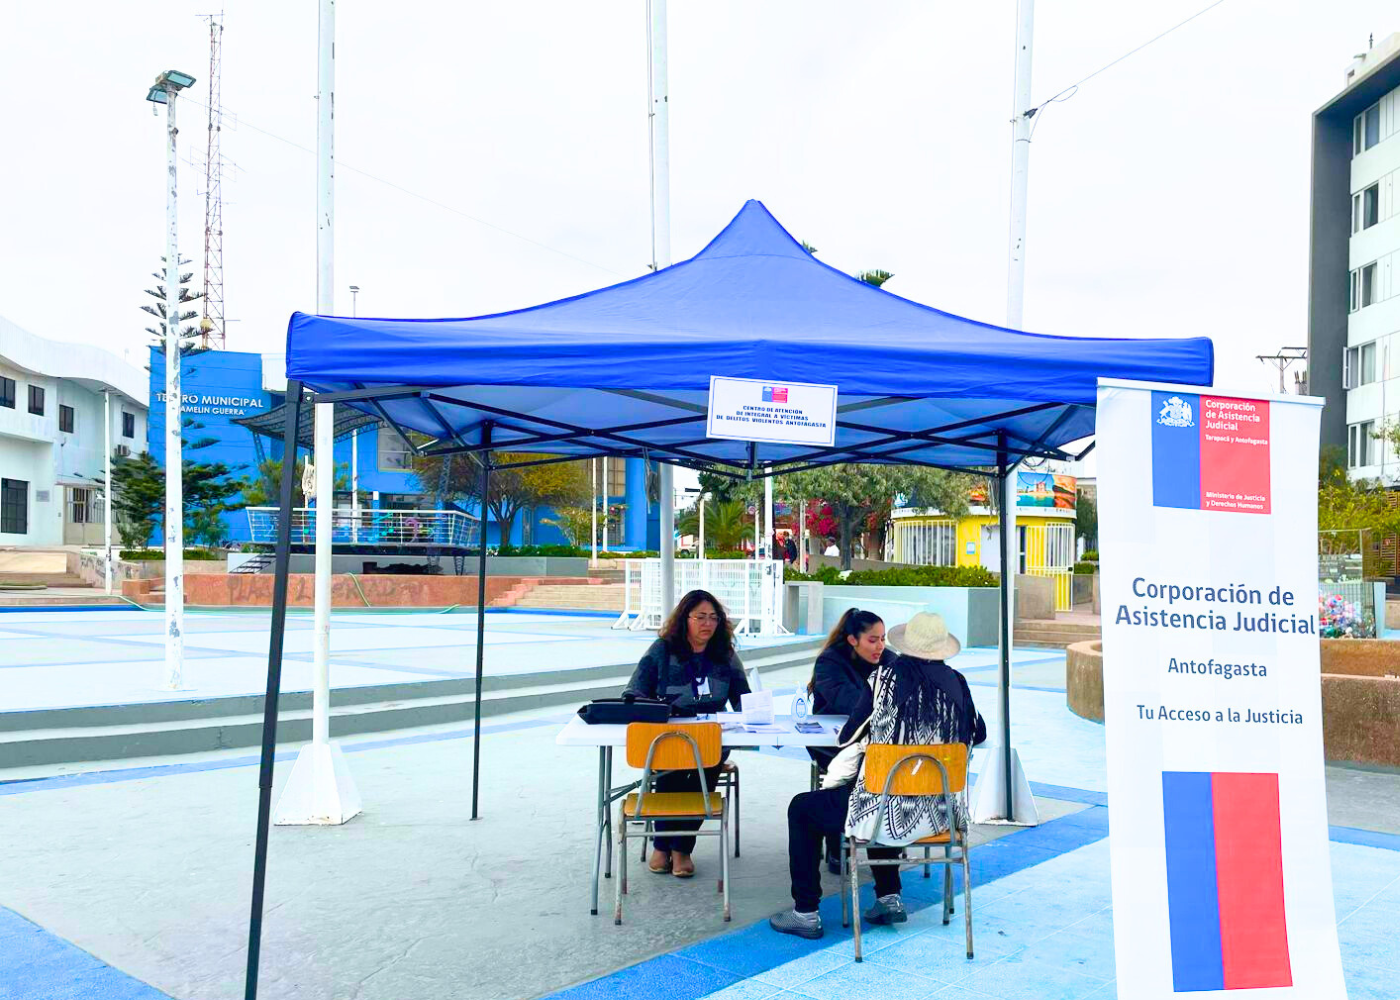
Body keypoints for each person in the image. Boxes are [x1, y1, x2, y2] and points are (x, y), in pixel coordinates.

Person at [769, 612, 986, 939]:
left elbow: (847, 736)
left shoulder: (883, 680)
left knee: (807, 807)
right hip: (943, 816)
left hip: (885, 811)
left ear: (905, 646)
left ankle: (806, 912)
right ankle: (888, 896)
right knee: (885, 791)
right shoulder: (958, 683)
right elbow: (978, 733)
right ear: (942, 649)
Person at [623, 589, 750, 878]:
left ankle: (680, 848)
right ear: (685, 619)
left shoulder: (725, 655)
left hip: (710, 739)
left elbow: (744, 699)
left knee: (701, 776)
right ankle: (663, 845)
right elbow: (633, 692)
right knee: (675, 770)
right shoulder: (662, 650)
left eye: (713, 618)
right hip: (666, 738)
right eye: (700, 617)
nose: (707, 623)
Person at [806, 609, 899, 871]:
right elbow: (849, 702)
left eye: (883, 639)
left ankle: (886, 840)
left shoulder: (889, 659)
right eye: (873, 640)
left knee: (881, 773)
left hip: (873, 744)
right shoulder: (830, 662)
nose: (880, 646)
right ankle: (838, 843)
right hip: (833, 745)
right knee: (857, 776)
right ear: (852, 640)